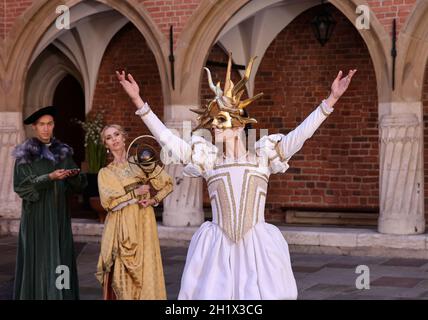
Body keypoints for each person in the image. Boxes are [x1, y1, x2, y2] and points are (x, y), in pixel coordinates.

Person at [116, 54, 356, 299]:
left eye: (222, 121)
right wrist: (138, 101)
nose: (215, 127)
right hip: (218, 251)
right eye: (213, 122)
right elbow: (169, 141)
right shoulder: (208, 160)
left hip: (258, 250)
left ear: (240, 126)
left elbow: (299, 135)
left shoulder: (263, 157)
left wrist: (331, 100)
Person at [12, 105, 87, 300]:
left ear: (54, 126)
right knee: (40, 261)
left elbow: (78, 186)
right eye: (42, 125)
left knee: (61, 260)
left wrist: (73, 176)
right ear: (35, 128)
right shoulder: (25, 155)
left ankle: (62, 296)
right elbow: (21, 186)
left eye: (49, 124)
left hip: (59, 216)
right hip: (36, 218)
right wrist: (49, 178)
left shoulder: (63, 153)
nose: (46, 128)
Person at [95, 124, 173, 300]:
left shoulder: (141, 162)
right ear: (106, 144)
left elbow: (167, 183)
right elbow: (110, 203)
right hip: (121, 225)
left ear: (124, 138)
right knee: (121, 269)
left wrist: (154, 199)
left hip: (144, 220)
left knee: (146, 265)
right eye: (109, 137)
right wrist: (134, 193)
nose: (114, 139)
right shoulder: (106, 173)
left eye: (116, 134)